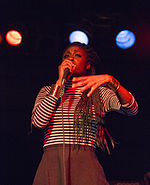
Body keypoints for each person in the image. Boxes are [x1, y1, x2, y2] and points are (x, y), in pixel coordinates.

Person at [31, 42, 138, 185]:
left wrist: (112, 81)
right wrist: (58, 85)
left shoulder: (98, 92)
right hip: (52, 159)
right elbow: (38, 122)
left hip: (83, 160)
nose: (71, 58)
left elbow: (132, 109)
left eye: (77, 55)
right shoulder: (48, 91)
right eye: (66, 56)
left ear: (88, 64)